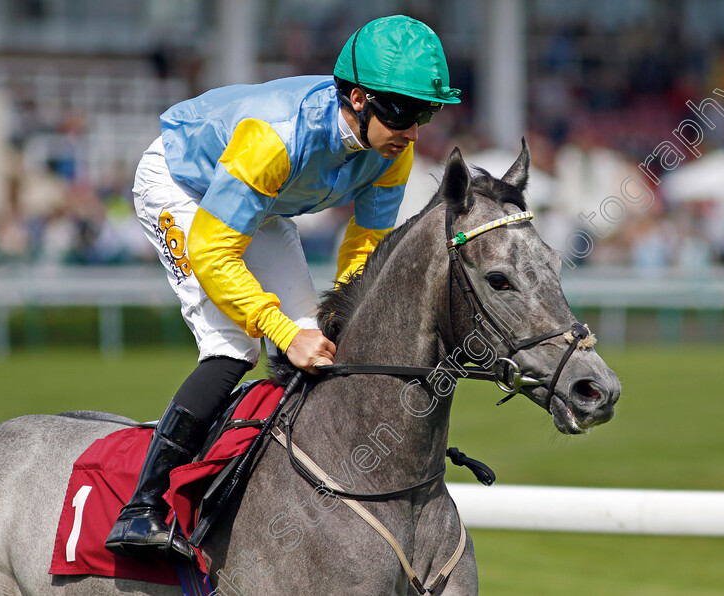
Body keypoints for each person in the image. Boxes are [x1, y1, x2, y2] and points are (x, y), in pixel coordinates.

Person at [105, 15, 460, 562]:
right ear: (360, 99)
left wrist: (341, 319)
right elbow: (211, 249)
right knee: (236, 345)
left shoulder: (392, 150)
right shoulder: (276, 138)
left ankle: (283, 474)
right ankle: (141, 508)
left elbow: (365, 245)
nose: (415, 131)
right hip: (183, 187)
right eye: (406, 113)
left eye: (426, 113)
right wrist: (277, 330)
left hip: (258, 201)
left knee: (315, 334)